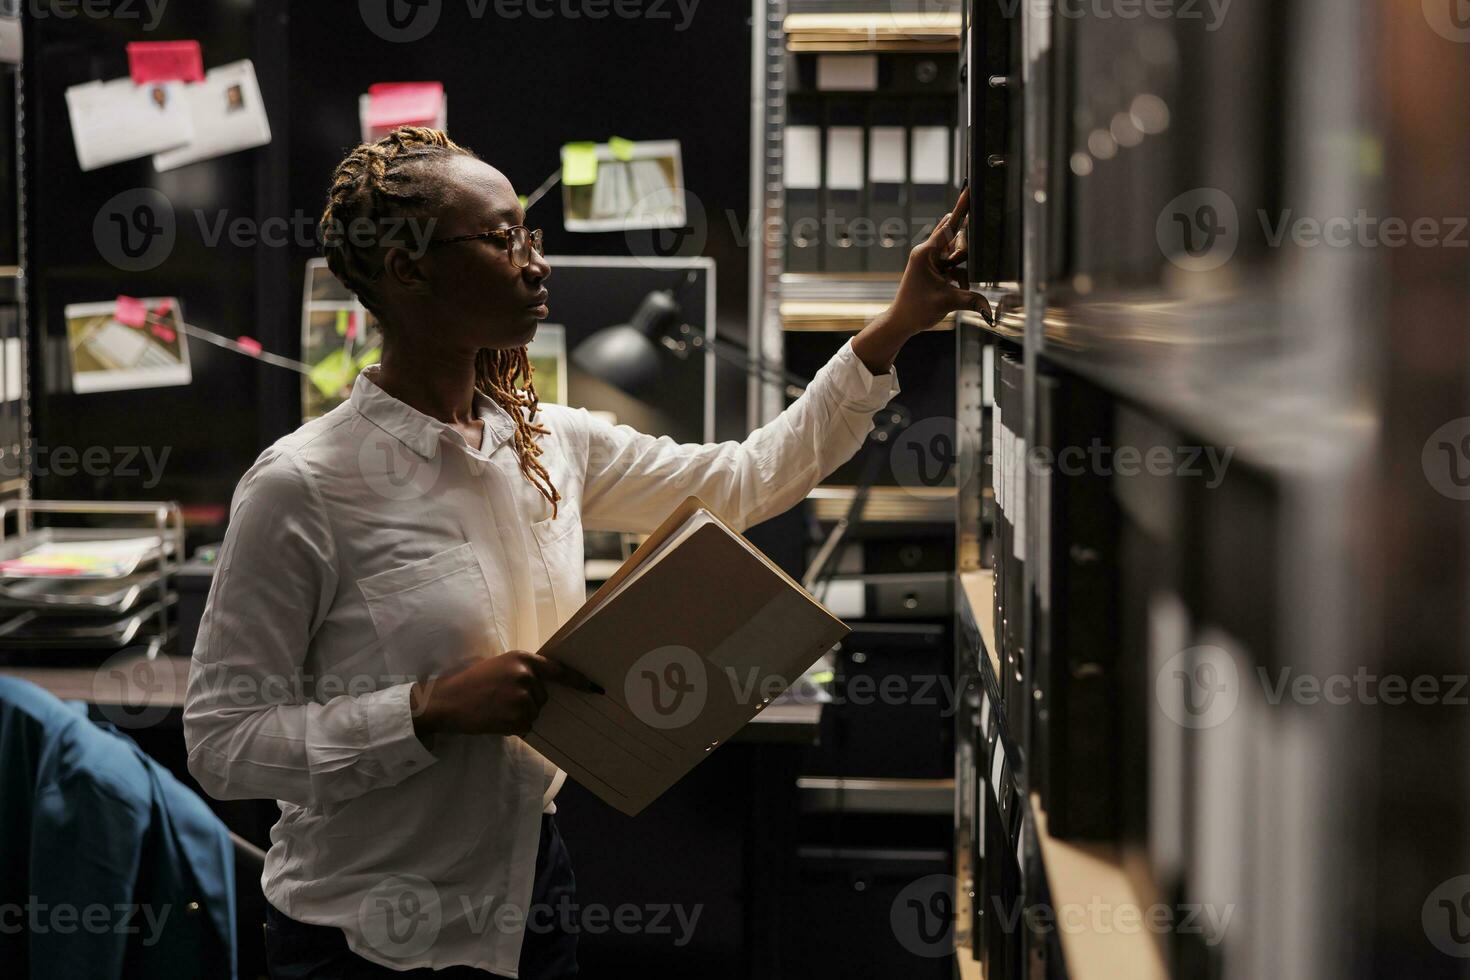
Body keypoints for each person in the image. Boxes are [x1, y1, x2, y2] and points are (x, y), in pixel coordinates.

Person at [182, 126, 986, 979]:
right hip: (364, 943)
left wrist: (896, 325)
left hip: (531, 907)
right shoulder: (303, 484)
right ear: (408, 269)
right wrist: (425, 708)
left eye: (530, 235)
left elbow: (748, 478)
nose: (536, 262)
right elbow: (223, 743)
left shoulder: (546, 443)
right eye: (501, 239)